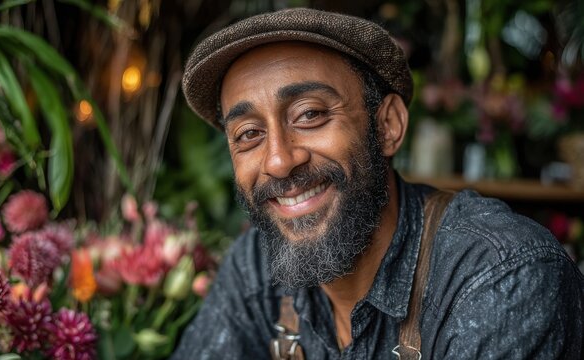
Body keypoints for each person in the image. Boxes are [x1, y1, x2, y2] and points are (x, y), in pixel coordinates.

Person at [172, 7, 584, 359]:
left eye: (310, 114)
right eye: (248, 134)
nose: (279, 161)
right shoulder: (256, 266)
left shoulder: (502, 276)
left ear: (388, 125)